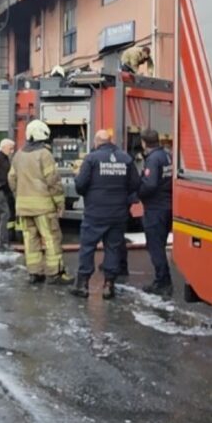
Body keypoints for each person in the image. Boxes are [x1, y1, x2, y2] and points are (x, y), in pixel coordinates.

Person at [71, 129, 139, 300]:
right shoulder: (125, 158)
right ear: (110, 141)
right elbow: (135, 184)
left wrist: (76, 176)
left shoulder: (91, 159)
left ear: (96, 142)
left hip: (95, 212)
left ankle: (83, 284)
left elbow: (80, 186)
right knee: (113, 248)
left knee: (88, 247)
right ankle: (109, 285)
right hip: (118, 213)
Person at [9, 121, 71, 285]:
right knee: (51, 238)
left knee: (30, 241)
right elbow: (53, 181)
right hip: (43, 207)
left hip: (23, 208)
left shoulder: (18, 154)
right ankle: (55, 273)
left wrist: (19, 197)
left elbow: (12, 179)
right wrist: (60, 202)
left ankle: (34, 273)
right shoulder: (44, 154)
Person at [136, 128, 173, 297]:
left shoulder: (152, 159)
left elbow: (149, 184)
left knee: (155, 246)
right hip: (168, 206)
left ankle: (162, 282)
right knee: (161, 244)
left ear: (144, 143)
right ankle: (164, 279)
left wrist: (137, 192)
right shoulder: (167, 155)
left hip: (155, 209)